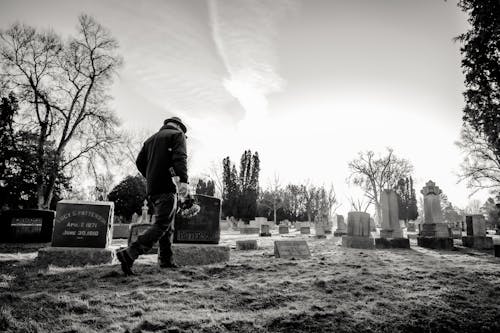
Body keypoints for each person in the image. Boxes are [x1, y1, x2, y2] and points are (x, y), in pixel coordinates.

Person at [116, 116, 189, 275]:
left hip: (153, 189)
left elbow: (139, 162)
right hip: (168, 187)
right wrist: (183, 182)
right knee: (162, 224)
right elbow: (180, 158)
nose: (183, 133)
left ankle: (166, 260)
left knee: (167, 225)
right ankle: (130, 253)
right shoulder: (177, 135)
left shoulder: (149, 140)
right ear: (177, 126)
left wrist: (151, 176)